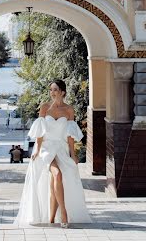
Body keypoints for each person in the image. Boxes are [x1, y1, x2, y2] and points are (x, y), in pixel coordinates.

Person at [14, 79, 91, 228]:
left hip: (61, 148)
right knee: (57, 174)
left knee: (54, 183)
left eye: (55, 89)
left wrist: (73, 153)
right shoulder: (44, 108)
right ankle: (64, 213)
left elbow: (69, 134)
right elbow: (40, 132)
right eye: (51, 90)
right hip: (46, 149)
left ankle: (50, 219)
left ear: (62, 92)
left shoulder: (69, 110)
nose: (52, 92)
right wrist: (37, 150)